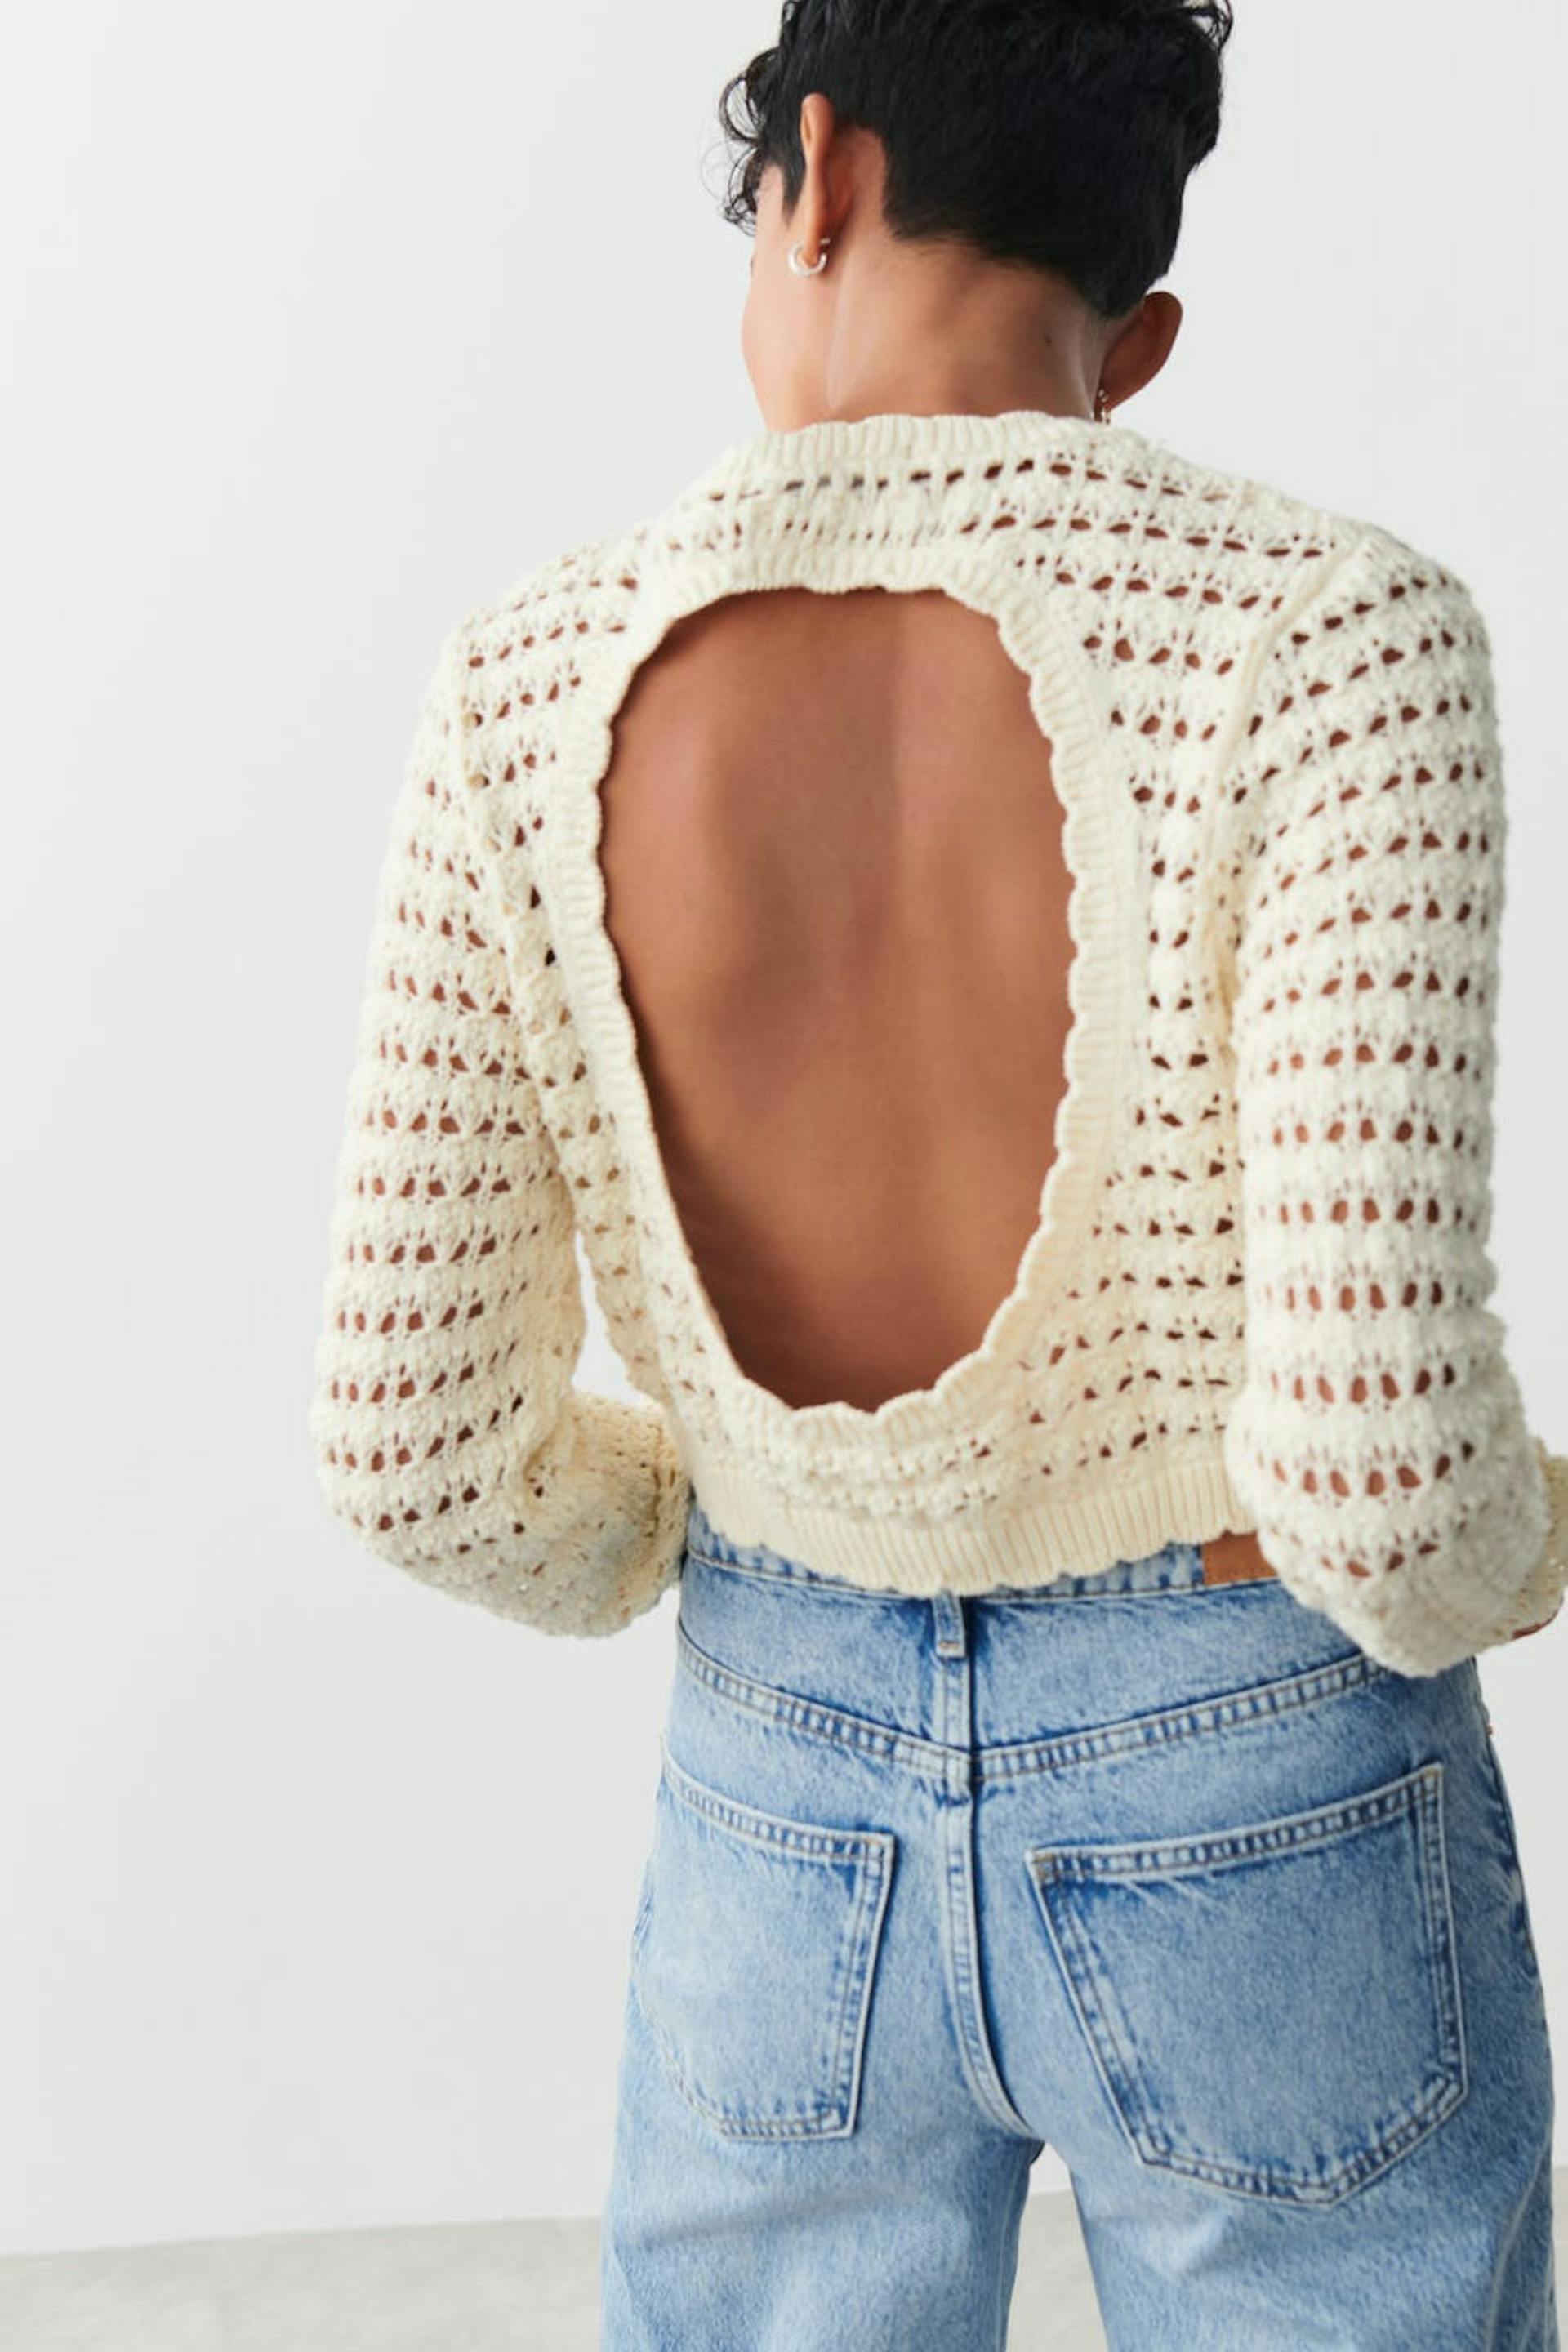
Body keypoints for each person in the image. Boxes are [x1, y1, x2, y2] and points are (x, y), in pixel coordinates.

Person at [307, 3, 1564, 2342]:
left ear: (824, 173)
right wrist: (1538, 1540)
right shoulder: (1329, 641)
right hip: (1259, 1780)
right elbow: (1386, 1495)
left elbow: (415, 1455)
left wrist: (706, 1528)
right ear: (1138, 339)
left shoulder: (523, 685)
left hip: (780, 1792)